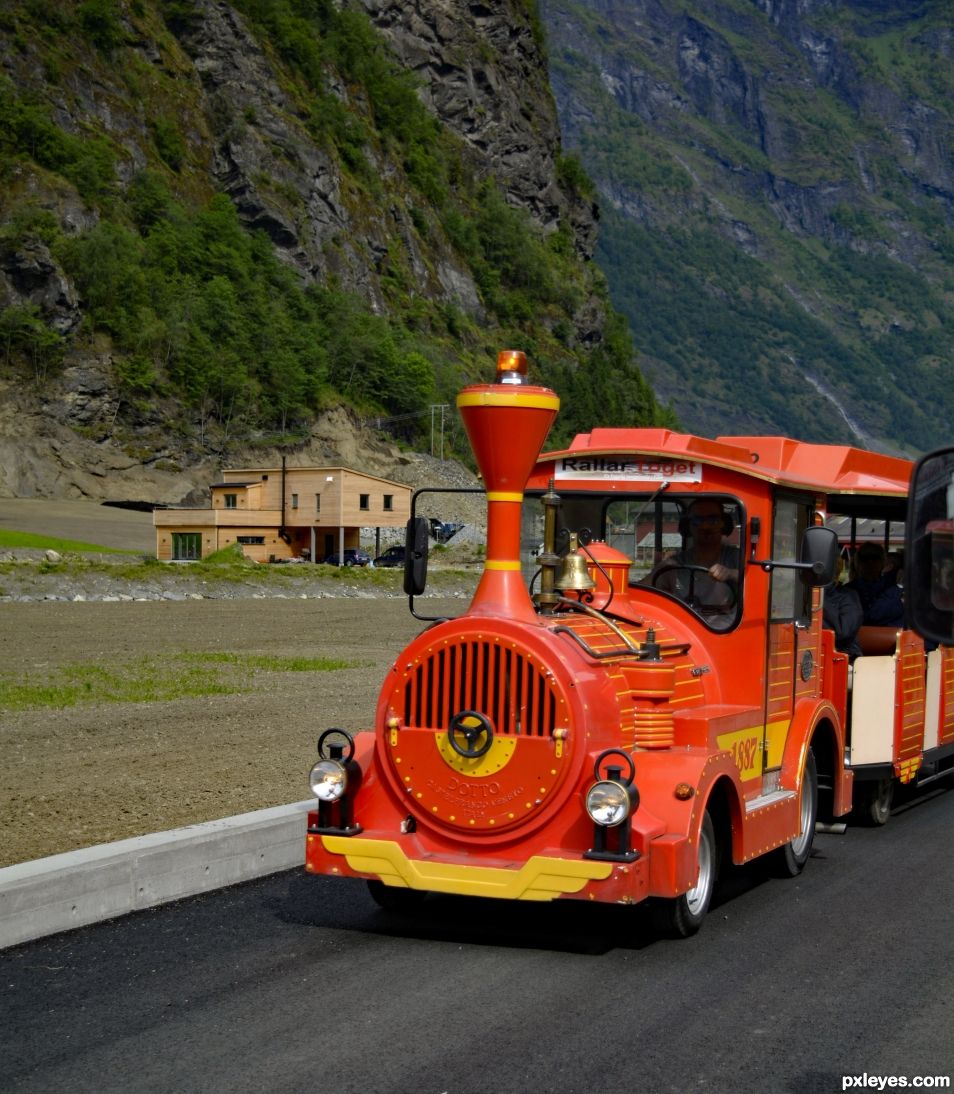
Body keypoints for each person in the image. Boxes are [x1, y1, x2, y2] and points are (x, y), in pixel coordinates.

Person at [646, 498, 739, 624]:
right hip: (685, 631)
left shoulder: (735, 558)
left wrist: (730, 573)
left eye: (713, 520)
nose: (705, 527)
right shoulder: (673, 565)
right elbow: (643, 587)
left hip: (725, 633)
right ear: (687, 527)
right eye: (698, 521)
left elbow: (756, 579)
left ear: (724, 524)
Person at [847, 542, 904, 628]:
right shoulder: (848, 591)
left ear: (882, 562)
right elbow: (870, 616)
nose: (870, 562)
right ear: (857, 563)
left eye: (875, 557)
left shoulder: (891, 587)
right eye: (865, 558)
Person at [823, 558, 863, 657]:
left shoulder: (848, 596)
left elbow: (842, 632)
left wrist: (817, 596)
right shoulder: (800, 595)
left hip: (842, 657)